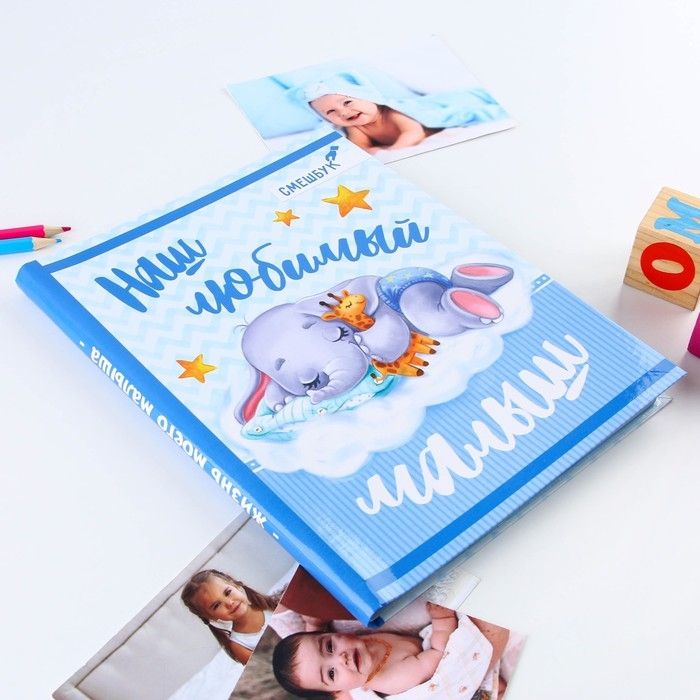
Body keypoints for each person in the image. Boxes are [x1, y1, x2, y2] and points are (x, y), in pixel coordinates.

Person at [272, 602, 502, 698]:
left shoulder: (358, 647)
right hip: (431, 667)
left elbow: (314, 640)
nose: (340, 659)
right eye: (331, 674)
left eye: (330, 646)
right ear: (338, 693)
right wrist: (442, 620)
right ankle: (490, 685)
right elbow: (439, 655)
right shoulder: (394, 679)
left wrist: (314, 624)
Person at [181, 569, 281, 665]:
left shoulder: (274, 603)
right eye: (216, 605)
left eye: (227, 592)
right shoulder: (240, 645)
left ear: (235, 585)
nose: (229, 603)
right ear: (210, 617)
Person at [308, 92, 443, 154]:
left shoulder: (391, 113)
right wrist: (374, 150)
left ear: (369, 98)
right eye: (330, 111)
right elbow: (361, 148)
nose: (343, 112)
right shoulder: (356, 127)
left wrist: (393, 150)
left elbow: (414, 132)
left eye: (347, 102)